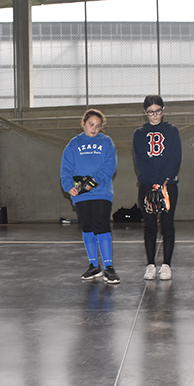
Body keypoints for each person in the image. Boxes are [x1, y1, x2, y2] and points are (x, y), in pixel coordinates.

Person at [60, 108, 120, 284]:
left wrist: (93, 181)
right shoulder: (73, 144)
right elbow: (66, 168)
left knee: (102, 226)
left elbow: (110, 166)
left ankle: (108, 267)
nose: (94, 129)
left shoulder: (106, 142)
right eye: (91, 125)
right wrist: (69, 186)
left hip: (101, 193)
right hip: (81, 196)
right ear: (83, 124)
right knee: (87, 228)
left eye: (98, 126)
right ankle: (94, 266)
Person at [133, 95, 182, 281]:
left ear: (163, 109)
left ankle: (167, 265)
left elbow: (175, 157)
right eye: (151, 112)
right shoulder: (139, 133)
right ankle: (151, 265)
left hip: (168, 185)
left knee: (168, 224)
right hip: (147, 184)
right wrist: (153, 181)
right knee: (150, 225)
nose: (155, 115)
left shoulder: (172, 131)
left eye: (158, 111)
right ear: (145, 112)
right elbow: (140, 160)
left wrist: (163, 181)